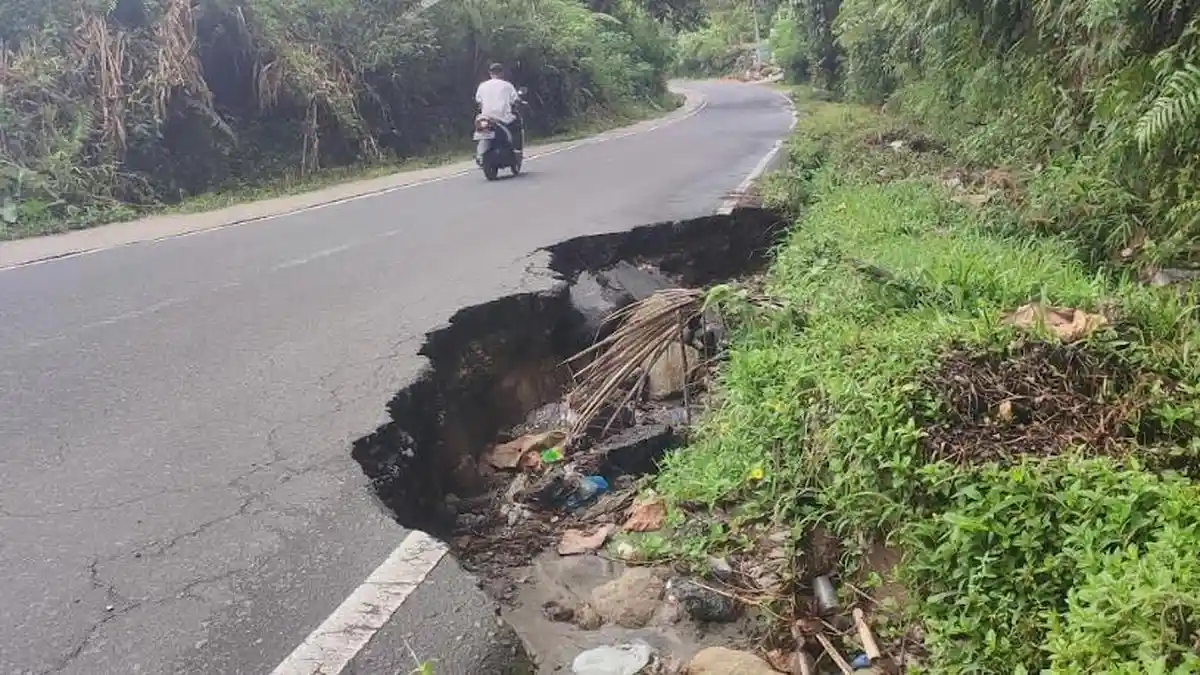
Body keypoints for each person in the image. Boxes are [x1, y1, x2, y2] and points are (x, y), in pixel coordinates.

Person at [475, 62, 523, 154]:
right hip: (504, 118)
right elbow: (515, 100)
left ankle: (479, 154)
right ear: (501, 73)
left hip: (486, 119)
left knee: (480, 130)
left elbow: (479, 103)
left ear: (490, 73)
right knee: (516, 126)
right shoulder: (507, 85)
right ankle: (516, 150)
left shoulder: (482, 86)